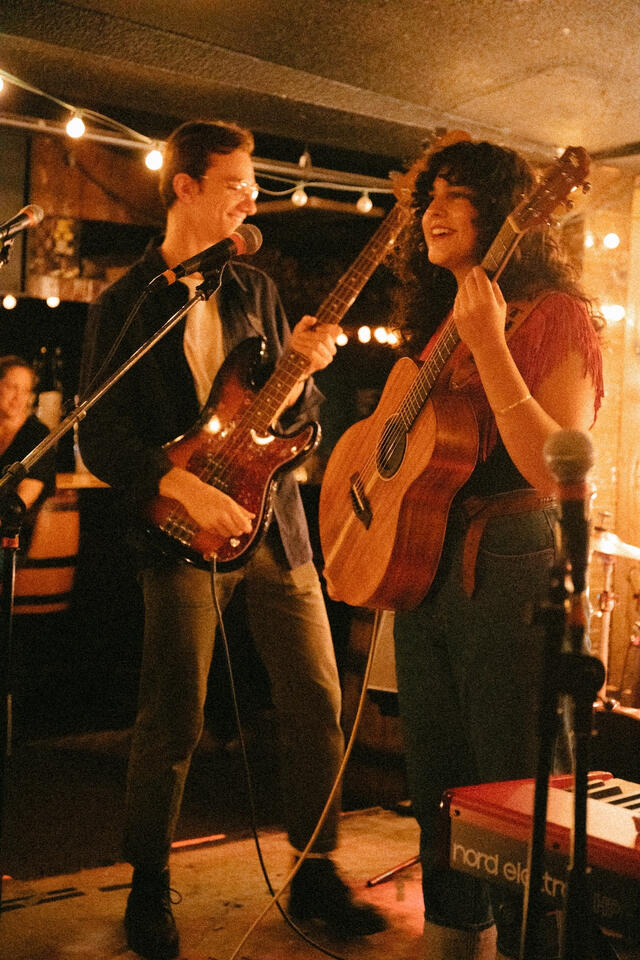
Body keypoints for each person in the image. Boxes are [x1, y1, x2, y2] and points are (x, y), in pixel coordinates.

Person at [78, 119, 386, 960]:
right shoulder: (127, 303)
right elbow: (99, 436)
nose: (253, 199)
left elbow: (294, 420)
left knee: (317, 700)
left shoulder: (257, 291)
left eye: (254, 185)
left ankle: (315, 872)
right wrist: (179, 485)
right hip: (181, 532)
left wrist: (305, 374)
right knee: (173, 716)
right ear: (185, 187)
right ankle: (149, 885)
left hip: (276, 527)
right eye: (237, 184)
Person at [389, 138, 603, 960]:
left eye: (457, 194)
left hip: (512, 558)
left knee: (517, 801)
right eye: (430, 196)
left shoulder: (555, 314)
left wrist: (489, 344)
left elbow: (555, 470)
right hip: (428, 565)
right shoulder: (442, 320)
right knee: (437, 792)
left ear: (509, 213)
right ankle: (452, 943)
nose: (433, 210)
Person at [0, 355, 56, 553]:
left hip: (13, 537)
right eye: (12, 387)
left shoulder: (37, 434)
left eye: (25, 390)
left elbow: (24, 498)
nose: (18, 397)